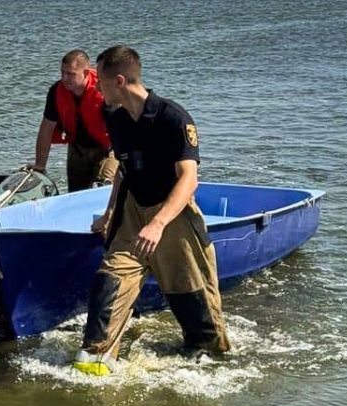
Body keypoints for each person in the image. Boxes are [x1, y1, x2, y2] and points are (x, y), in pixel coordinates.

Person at [73, 45, 230, 376]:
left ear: (119, 80)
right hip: (133, 211)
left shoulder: (173, 118)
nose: (97, 89)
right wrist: (108, 213)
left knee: (195, 305)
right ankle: (95, 360)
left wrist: (158, 224)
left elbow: (189, 179)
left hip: (172, 215)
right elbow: (123, 170)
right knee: (108, 280)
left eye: (99, 81)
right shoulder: (115, 118)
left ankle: (207, 358)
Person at [27, 49, 118, 192]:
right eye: (62, 72)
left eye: (71, 74)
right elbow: (46, 129)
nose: (65, 78)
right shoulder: (56, 91)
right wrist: (40, 165)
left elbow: (122, 126)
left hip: (108, 148)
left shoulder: (104, 88)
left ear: (86, 73)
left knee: (104, 185)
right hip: (78, 147)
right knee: (76, 192)